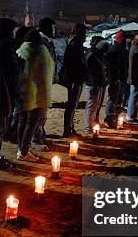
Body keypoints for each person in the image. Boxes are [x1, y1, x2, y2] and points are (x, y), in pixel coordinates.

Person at [15, 29, 54, 161]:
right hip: (36, 93)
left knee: (22, 120)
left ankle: (21, 149)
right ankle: (24, 151)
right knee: (32, 122)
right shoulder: (39, 51)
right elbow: (44, 73)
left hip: (22, 91)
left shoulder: (22, 49)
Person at [0, 18, 17, 169]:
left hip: (2, 90)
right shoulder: (5, 46)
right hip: (2, 91)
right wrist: (18, 64)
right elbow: (10, 69)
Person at [31, 17, 57, 151]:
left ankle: (41, 136)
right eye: (52, 27)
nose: (54, 30)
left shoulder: (47, 42)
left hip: (45, 82)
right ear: (46, 28)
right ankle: (35, 140)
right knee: (38, 113)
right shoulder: (40, 42)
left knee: (43, 113)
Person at [60, 23, 88, 137]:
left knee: (73, 105)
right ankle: (67, 129)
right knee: (71, 105)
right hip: (74, 79)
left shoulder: (77, 44)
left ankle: (70, 127)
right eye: (84, 33)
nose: (86, 35)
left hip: (77, 78)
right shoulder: (74, 45)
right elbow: (71, 63)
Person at [84, 37, 108, 132]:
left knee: (94, 106)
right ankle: (88, 127)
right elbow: (89, 68)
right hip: (93, 83)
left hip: (98, 83)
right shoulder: (92, 55)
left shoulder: (98, 55)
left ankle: (91, 124)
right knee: (91, 106)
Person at [104, 30, 128, 128]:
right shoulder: (114, 50)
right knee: (113, 98)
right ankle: (109, 118)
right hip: (115, 78)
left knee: (118, 99)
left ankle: (115, 117)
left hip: (121, 78)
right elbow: (112, 66)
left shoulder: (121, 49)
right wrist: (115, 78)